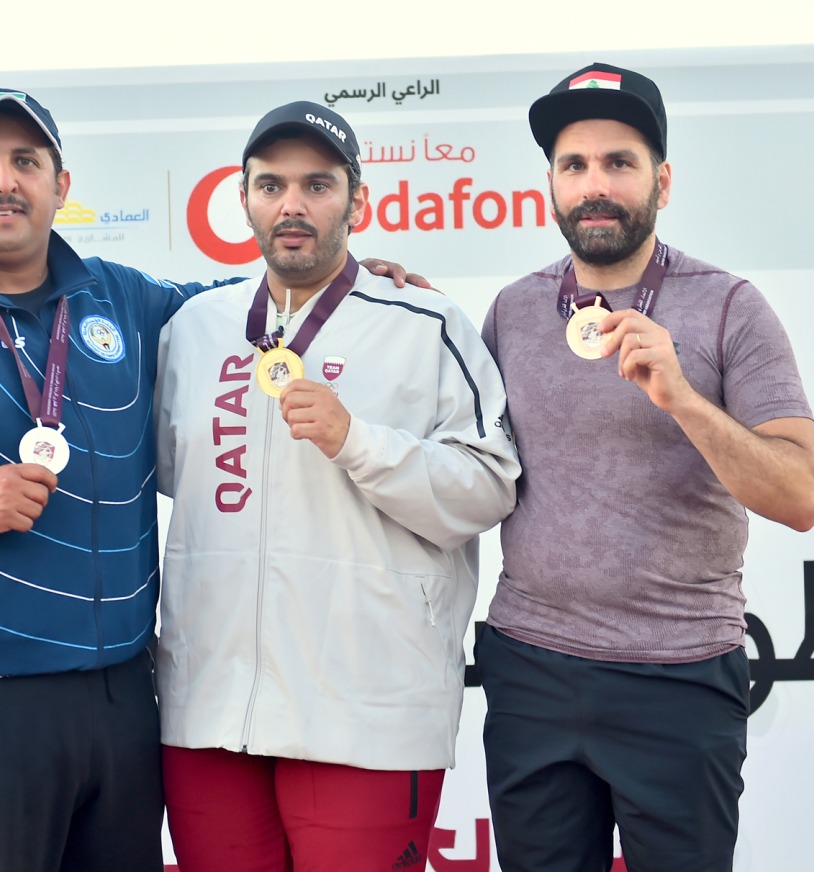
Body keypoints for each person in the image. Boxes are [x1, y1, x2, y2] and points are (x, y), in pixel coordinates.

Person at [0, 87, 414, 872]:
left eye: (26, 162)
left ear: (60, 186)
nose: (5, 180)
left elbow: (241, 312)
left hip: (117, 692)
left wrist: (347, 280)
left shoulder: (122, 300)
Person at [153, 101, 522, 872]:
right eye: (271, 185)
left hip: (366, 715)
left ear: (358, 202)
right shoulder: (193, 327)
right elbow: (162, 468)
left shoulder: (427, 324)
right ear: (244, 199)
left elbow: (490, 488)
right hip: (209, 712)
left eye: (318, 185)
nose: (293, 204)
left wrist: (359, 443)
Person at [477, 63, 814, 872]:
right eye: (575, 166)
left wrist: (685, 401)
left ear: (661, 181)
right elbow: (460, 449)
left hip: (679, 675)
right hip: (531, 669)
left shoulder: (730, 306)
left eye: (619, 163)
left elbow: (803, 494)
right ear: (550, 190)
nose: (595, 185)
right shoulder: (513, 310)